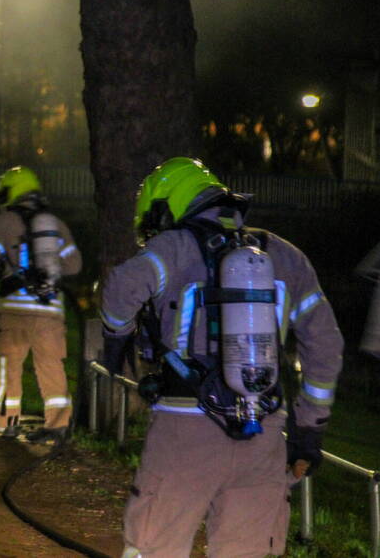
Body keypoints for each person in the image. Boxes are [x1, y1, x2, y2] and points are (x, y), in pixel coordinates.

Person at [100, 157, 343, 558]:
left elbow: (121, 288)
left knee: (153, 546)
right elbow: (326, 347)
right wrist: (309, 431)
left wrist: (117, 338)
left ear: (167, 206)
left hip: (184, 433)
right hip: (263, 434)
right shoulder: (285, 256)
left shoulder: (172, 247)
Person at [0, 166, 82, 445]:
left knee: (9, 366)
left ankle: (4, 421)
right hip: (50, 311)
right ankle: (58, 425)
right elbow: (74, 264)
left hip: (14, 311)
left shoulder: (4, 222)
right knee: (51, 367)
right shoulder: (56, 225)